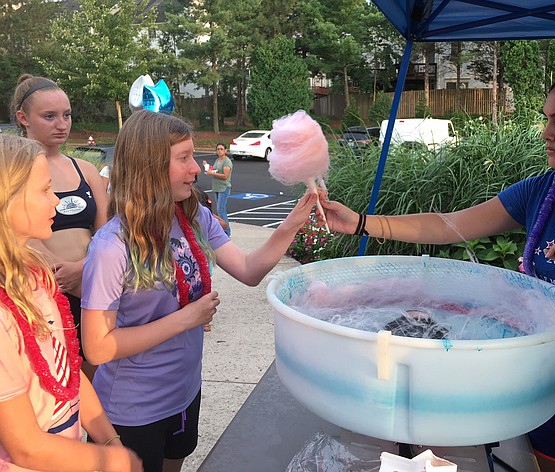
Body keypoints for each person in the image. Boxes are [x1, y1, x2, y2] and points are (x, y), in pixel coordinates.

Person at [317, 60, 555, 472]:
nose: (547, 133)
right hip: (548, 391)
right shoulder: (542, 190)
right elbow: (450, 225)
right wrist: (360, 222)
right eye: (547, 119)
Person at [80, 110, 317, 472]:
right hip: (133, 409)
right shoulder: (111, 246)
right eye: (184, 158)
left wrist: (293, 222)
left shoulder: (194, 217)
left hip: (185, 391)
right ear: (150, 166)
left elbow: (249, 271)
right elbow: (97, 346)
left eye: (194, 156)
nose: (196, 168)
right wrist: (186, 319)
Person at [0, 134, 142, 471]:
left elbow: (69, 372)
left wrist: (108, 438)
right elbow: (26, 448)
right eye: (45, 190)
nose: (57, 202)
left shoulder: (37, 277)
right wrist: (114, 460)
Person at [11, 75, 108, 381]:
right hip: (40, 290)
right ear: (23, 118)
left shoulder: (86, 170)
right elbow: (14, 230)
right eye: (49, 116)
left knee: (94, 377)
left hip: (89, 286)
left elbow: (107, 233)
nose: (61, 124)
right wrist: (59, 271)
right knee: (54, 381)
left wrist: (85, 268)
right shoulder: (12, 170)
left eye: (66, 115)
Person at [203, 142, 232, 236]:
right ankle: (223, 230)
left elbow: (225, 176)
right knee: (220, 210)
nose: (219, 151)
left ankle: (226, 231)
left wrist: (212, 174)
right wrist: (207, 167)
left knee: (221, 210)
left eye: (221, 149)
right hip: (216, 187)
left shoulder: (227, 162)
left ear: (225, 150)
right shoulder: (217, 160)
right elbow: (214, 169)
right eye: (218, 149)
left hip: (224, 188)